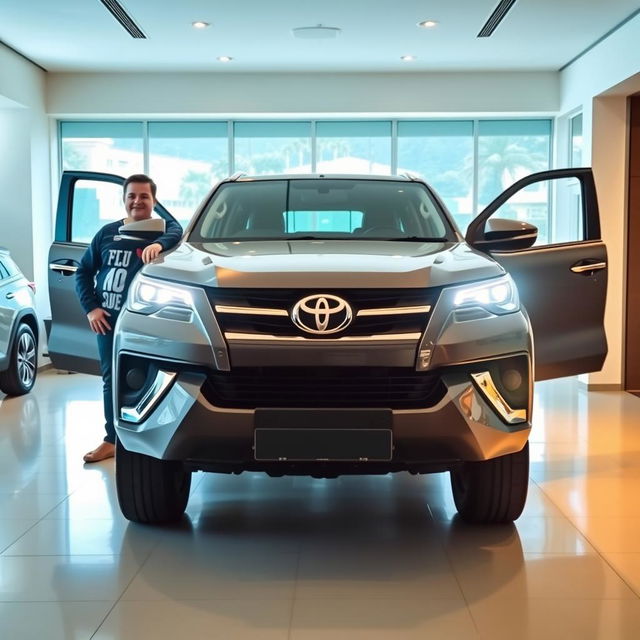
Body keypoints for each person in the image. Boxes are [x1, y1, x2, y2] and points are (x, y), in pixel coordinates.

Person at [75, 174, 183, 463]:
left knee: (150, 378)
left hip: (143, 321)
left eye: (144, 196)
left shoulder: (163, 232)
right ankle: (111, 439)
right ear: (124, 200)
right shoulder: (106, 233)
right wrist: (91, 308)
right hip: (107, 321)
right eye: (131, 196)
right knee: (110, 379)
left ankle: (147, 434)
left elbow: (178, 230)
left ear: (154, 201)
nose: (137, 201)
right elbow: (82, 272)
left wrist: (159, 245)